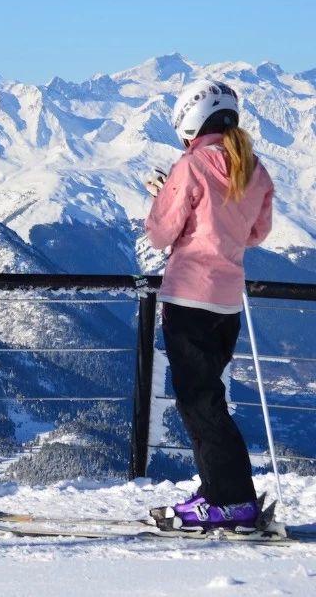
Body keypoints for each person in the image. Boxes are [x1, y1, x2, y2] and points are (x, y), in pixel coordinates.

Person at [144, 78, 274, 531]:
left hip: (188, 298)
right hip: (226, 303)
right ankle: (219, 490)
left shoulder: (193, 166)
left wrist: (163, 194)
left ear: (191, 123)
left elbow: (161, 232)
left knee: (200, 405)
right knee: (209, 399)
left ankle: (232, 500)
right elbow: (256, 233)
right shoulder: (254, 168)